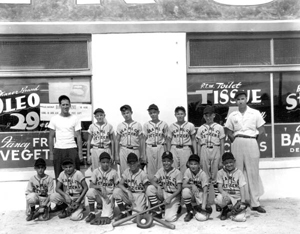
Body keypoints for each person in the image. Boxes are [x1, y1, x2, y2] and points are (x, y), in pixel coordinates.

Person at [225, 90, 266, 213]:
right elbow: (227, 130)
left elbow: (262, 130)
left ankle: (255, 202)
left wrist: (253, 141)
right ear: (235, 101)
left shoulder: (255, 113)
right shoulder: (233, 115)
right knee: (237, 172)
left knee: (253, 172)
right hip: (237, 142)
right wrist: (234, 139)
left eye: (242, 98)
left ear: (246, 99)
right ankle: (239, 201)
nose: (240, 101)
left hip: (251, 141)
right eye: (238, 99)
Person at [48, 95, 82, 180]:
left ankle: (76, 192)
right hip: (59, 149)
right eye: (63, 104)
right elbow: (51, 136)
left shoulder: (75, 118)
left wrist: (80, 152)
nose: (65, 106)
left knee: (75, 174)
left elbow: (78, 136)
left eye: (67, 104)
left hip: (72, 148)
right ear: (59, 106)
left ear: (70, 105)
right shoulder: (54, 119)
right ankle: (60, 193)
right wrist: (51, 153)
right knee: (59, 175)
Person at [196, 105, 225, 198]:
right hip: (204, 149)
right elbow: (198, 144)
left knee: (216, 175)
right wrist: (199, 157)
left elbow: (222, 143)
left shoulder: (219, 127)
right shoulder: (201, 128)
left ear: (214, 115)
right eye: (206, 115)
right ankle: (207, 200)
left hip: (215, 148)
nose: (208, 117)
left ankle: (217, 200)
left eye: (210, 115)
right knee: (205, 175)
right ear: (204, 116)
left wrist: (221, 158)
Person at [146, 151, 182, 222]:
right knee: (150, 188)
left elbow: (179, 189)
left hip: (173, 196)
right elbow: (152, 180)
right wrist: (158, 186)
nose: (166, 163)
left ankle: (177, 207)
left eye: (168, 161)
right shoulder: (160, 170)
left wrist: (170, 198)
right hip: (163, 193)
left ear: (172, 161)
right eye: (164, 161)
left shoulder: (177, 172)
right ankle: (158, 212)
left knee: (169, 219)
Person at [113, 153, 150, 221]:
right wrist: (127, 191)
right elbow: (120, 184)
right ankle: (123, 212)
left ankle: (132, 208)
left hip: (139, 195)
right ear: (127, 163)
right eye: (130, 163)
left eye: (134, 162)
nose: (132, 165)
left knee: (135, 218)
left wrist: (147, 204)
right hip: (129, 195)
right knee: (116, 191)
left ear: (138, 162)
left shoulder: (142, 173)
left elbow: (147, 188)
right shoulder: (127, 171)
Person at [85, 152, 119, 224]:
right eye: (103, 162)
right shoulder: (96, 171)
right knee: (90, 192)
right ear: (99, 162)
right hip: (100, 195)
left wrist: (113, 199)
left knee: (107, 217)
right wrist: (100, 186)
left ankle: (108, 208)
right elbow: (91, 185)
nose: (105, 164)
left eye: (107, 162)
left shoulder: (113, 172)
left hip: (109, 196)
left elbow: (117, 186)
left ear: (110, 162)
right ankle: (92, 213)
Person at [215, 152, 247, 222]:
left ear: (234, 161)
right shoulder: (220, 172)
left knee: (240, 219)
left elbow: (242, 187)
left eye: (231, 162)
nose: (229, 164)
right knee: (218, 198)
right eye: (226, 163)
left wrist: (243, 202)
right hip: (227, 197)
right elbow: (219, 186)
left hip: (237, 199)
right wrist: (223, 192)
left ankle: (233, 211)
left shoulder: (239, 172)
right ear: (223, 163)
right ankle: (226, 209)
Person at [115, 104, 145, 175]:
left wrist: (142, 154)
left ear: (131, 112)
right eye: (124, 113)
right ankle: (124, 186)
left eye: (127, 113)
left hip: (135, 149)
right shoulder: (120, 125)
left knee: (135, 171)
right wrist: (117, 155)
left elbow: (141, 140)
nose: (126, 115)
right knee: (124, 171)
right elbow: (117, 140)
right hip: (124, 149)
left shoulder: (138, 124)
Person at [167, 106, 197, 174]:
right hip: (174, 148)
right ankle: (174, 183)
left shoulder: (190, 125)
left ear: (185, 114)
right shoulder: (171, 126)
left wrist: (195, 153)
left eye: (181, 114)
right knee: (173, 167)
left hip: (185, 148)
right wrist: (168, 152)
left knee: (185, 168)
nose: (180, 116)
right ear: (175, 115)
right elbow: (168, 140)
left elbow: (193, 139)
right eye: (178, 114)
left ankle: (184, 184)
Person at [182, 154, 210, 222]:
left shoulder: (203, 174)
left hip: (201, 194)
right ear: (188, 164)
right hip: (192, 194)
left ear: (199, 165)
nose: (193, 166)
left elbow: (205, 191)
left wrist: (203, 206)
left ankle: (196, 208)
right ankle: (190, 211)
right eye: (191, 164)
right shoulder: (188, 171)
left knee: (201, 218)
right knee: (185, 191)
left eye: (195, 164)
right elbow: (183, 185)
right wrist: (192, 186)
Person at [143, 104, 168, 179]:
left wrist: (167, 152)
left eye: (154, 112)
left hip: (160, 147)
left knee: (161, 167)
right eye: (151, 113)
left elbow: (166, 139)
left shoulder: (164, 124)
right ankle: (151, 185)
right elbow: (144, 139)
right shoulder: (146, 124)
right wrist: (144, 154)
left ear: (158, 112)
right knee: (150, 167)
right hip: (150, 147)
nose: (153, 114)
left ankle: (162, 184)